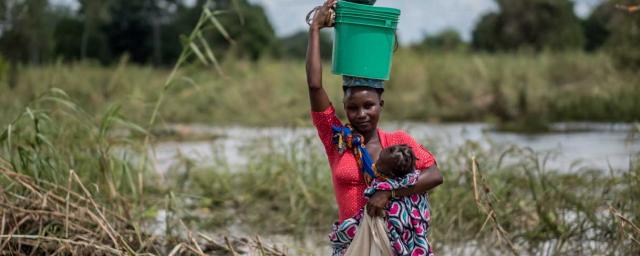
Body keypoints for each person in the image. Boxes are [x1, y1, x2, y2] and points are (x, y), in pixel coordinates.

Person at [306, 0, 444, 255]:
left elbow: (435, 175)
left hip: (392, 243)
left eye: (369, 106)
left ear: (381, 104)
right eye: (352, 107)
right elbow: (315, 86)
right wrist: (315, 28)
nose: (361, 115)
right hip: (352, 244)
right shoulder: (337, 140)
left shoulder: (398, 142)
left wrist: (389, 193)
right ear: (344, 107)